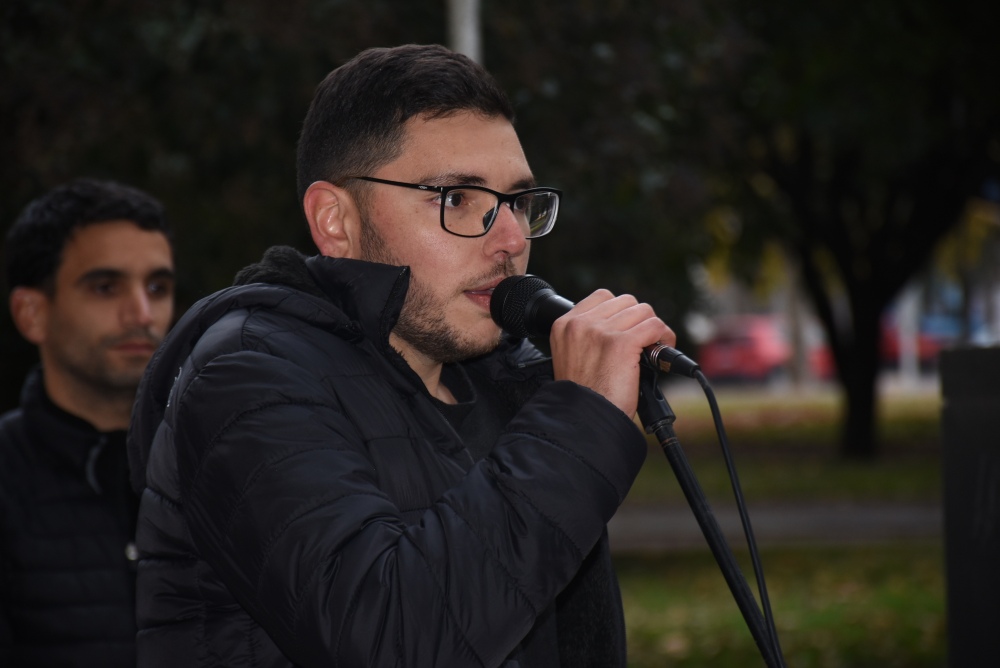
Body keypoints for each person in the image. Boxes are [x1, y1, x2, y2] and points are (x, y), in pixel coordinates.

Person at [128, 44, 673, 667]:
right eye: (457, 197)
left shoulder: (514, 383)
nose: (512, 238)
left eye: (518, 201)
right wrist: (578, 424)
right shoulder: (245, 377)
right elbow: (389, 635)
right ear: (336, 220)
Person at [0, 178, 175, 667]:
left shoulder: (216, 464)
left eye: (157, 286)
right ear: (31, 313)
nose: (142, 313)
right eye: (105, 286)